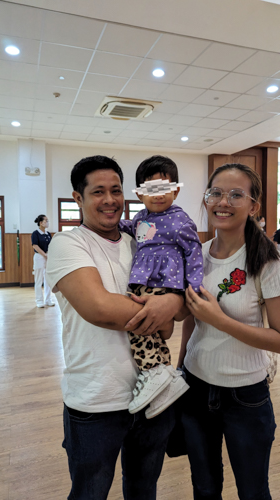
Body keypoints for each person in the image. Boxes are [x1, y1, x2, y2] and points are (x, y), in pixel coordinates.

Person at [46, 155, 186, 500]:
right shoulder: (69, 243)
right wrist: (166, 308)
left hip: (153, 399)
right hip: (96, 402)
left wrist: (173, 303)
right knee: (89, 493)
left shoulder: (140, 241)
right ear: (78, 198)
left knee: (143, 490)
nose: (110, 200)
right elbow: (100, 308)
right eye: (98, 192)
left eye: (116, 191)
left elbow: (178, 304)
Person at [178, 163, 280, 500]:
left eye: (236, 194)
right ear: (206, 200)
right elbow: (192, 320)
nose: (224, 202)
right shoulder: (198, 255)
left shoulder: (267, 260)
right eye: (216, 193)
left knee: (253, 491)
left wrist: (221, 320)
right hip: (195, 387)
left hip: (245, 396)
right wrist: (180, 369)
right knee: (204, 488)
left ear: (253, 206)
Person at [119, 155, 203, 419]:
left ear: (175, 190)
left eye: (164, 188)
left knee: (139, 324)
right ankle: (164, 379)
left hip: (165, 282)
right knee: (151, 331)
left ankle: (155, 371)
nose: (158, 196)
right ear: (139, 194)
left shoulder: (180, 220)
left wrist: (194, 287)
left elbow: (194, 252)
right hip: (143, 281)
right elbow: (131, 228)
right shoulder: (140, 217)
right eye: (150, 190)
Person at [31, 214, 55, 308]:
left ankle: (48, 299)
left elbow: (51, 245)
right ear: (41, 223)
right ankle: (39, 301)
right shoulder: (35, 233)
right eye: (46, 221)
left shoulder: (48, 234)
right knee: (38, 280)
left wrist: (49, 255)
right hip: (39, 257)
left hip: (48, 257)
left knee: (47, 279)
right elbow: (35, 246)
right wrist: (44, 255)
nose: (47, 222)